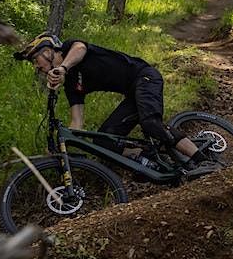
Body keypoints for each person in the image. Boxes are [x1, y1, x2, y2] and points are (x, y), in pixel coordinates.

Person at [14, 32, 220, 175]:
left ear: (48, 52)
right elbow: (77, 122)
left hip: (144, 77)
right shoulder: (72, 86)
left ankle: (204, 161)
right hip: (131, 94)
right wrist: (63, 147)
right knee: (104, 141)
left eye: (35, 60)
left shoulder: (69, 48)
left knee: (150, 123)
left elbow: (80, 48)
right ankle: (152, 157)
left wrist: (64, 68)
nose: (36, 66)